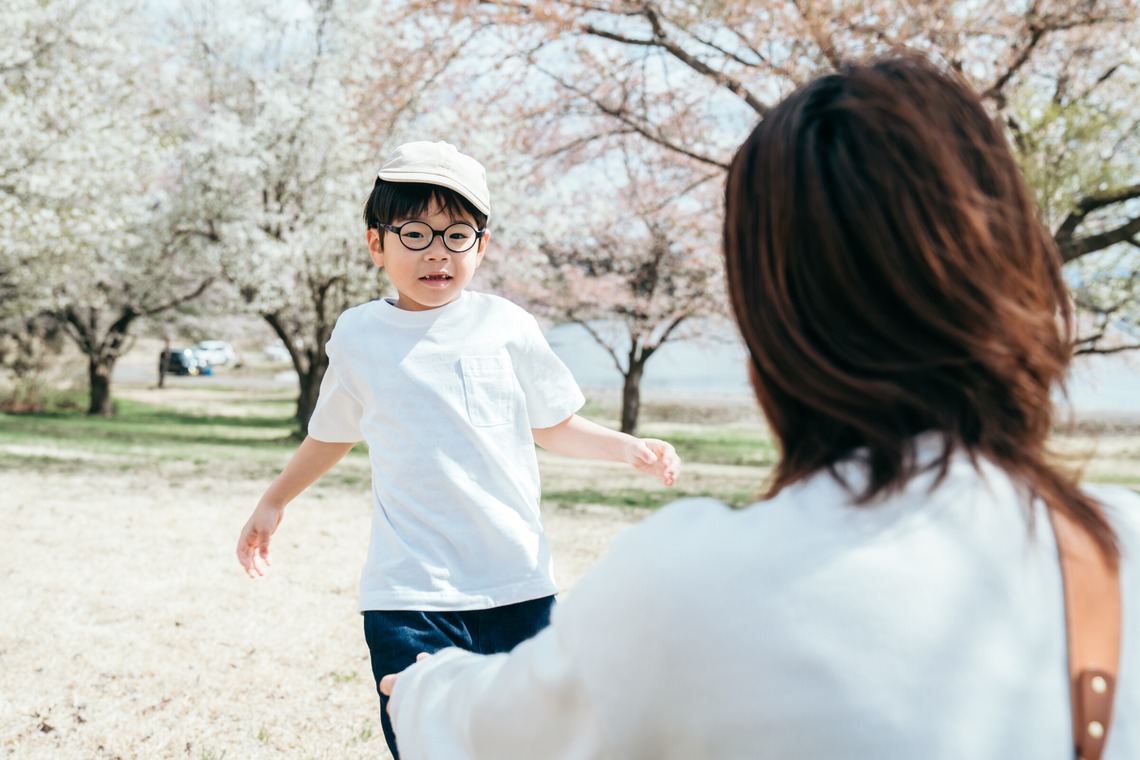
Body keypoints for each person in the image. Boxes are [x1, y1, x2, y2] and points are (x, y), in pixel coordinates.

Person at [377, 57, 1139, 759]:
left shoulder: (690, 585)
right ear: (1021, 267)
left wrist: (418, 686)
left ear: (768, 310)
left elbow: (492, 732)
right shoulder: (1119, 550)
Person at [235, 140, 681, 759]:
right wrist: (274, 501)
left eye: (457, 234)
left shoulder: (507, 326)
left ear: (483, 245)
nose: (437, 251)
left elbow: (551, 425)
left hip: (518, 588)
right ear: (376, 244)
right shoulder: (360, 336)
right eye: (414, 233)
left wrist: (627, 447)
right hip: (407, 597)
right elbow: (331, 432)